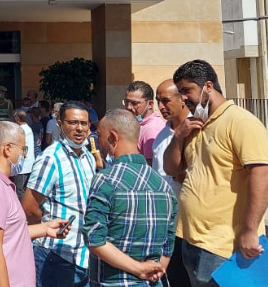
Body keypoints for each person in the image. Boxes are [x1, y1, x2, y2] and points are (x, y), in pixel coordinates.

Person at [164, 60, 268, 287]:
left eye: (187, 90)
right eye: (180, 92)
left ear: (208, 86)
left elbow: (261, 174)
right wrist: (178, 136)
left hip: (224, 246)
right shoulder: (194, 124)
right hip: (191, 239)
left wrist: (250, 231)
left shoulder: (240, 121)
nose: (183, 98)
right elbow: (171, 169)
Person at [0, 122, 71, 286]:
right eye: (23, 149)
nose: (25, 156)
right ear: (8, 149)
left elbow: (7, 233)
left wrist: (45, 228)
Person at [83, 110, 177, 287]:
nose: (98, 142)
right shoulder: (163, 186)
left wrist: (139, 269)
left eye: (100, 136)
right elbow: (168, 244)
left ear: (113, 138)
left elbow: (94, 238)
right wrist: (153, 272)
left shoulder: (106, 180)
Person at [22, 100, 97, 287]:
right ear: (60, 123)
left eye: (84, 123)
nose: (79, 128)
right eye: (73, 122)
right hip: (55, 255)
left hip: (84, 255)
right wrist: (43, 230)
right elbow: (29, 208)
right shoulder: (50, 159)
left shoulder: (88, 157)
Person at [151, 80, 193, 287]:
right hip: (167, 225)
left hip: (192, 226)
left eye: (166, 101)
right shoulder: (161, 135)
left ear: (182, 99)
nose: (161, 106)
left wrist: (182, 176)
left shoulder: (198, 129)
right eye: (158, 101)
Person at [122, 81, 165, 165]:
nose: (129, 107)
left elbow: (150, 165)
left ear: (150, 104)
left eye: (134, 103)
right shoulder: (140, 124)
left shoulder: (151, 129)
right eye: (126, 102)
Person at [12, 109, 36, 199]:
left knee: (19, 190)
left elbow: (24, 145)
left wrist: (23, 154)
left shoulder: (22, 130)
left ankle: (22, 207)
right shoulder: (27, 128)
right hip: (27, 164)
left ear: (17, 118)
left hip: (23, 165)